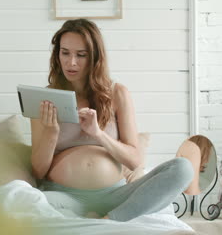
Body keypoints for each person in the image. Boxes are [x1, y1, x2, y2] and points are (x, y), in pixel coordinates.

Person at [30, 18, 194, 221]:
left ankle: (112, 219)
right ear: (57, 55)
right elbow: (38, 171)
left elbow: (134, 161)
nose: (71, 62)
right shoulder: (45, 99)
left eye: (81, 55)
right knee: (14, 198)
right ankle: (94, 219)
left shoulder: (118, 93)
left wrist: (98, 134)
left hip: (116, 197)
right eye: (65, 53)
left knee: (183, 168)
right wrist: (51, 133)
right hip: (64, 196)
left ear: (96, 58)